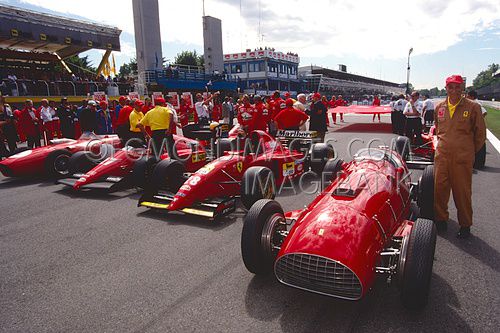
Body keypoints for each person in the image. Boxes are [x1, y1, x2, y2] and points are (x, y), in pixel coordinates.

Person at [433, 75, 486, 238]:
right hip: (442, 156)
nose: (454, 90)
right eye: (451, 87)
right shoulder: (439, 107)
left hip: (462, 158)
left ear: (462, 88)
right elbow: (437, 128)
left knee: (462, 192)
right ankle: (441, 219)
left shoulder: (472, 107)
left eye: (457, 87)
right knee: (439, 189)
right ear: (446, 88)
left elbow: (480, 134)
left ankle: (465, 225)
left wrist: (468, 151)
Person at [467, 90, 487, 169]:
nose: (467, 97)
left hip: (477, 128)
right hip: (476, 126)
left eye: (468, 96)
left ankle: (478, 163)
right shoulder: (474, 103)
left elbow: (484, 112)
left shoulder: (476, 104)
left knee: (478, 143)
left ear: (472, 96)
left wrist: (479, 120)